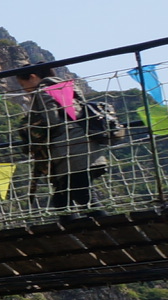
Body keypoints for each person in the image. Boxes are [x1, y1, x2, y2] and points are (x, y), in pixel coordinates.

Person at [16, 65, 106, 219]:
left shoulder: (43, 90)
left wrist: (30, 127)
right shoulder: (63, 86)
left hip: (71, 150)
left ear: (32, 77)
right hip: (84, 145)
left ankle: (108, 227)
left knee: (84, 195)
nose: (25, 90)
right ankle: (83, 234)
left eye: (23, 85)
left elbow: (52, 120)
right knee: (62, 199)